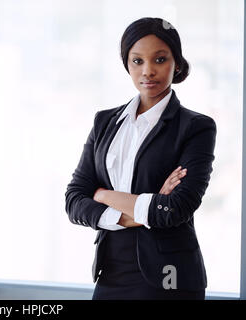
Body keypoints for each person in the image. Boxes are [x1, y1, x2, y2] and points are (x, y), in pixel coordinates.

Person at [64, 17, 216, 300]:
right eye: (137, 61)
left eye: (160, 59)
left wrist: (101, 194)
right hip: (111, 274)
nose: (148, 71)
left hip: (170, 280)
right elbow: (74, 200)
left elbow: (176, 208)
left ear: (177, 64)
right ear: (127, 64)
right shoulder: (105, 122)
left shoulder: (196, 127)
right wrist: (146, 209)